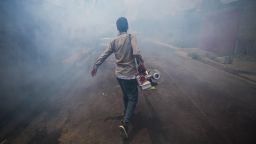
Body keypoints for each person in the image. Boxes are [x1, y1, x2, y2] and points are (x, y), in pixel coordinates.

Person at [91, 17, 145, 138]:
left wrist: (96, 65)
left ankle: (126, 113)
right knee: (133, 99)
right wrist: (141, 63)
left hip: (119, 75)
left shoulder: (114, 40)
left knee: (126, 96)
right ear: (127, 26)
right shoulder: (132, 37)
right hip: (129, 74)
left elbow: (104, 54)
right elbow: (136, 53)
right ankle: (125, 123)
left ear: (117, 27)